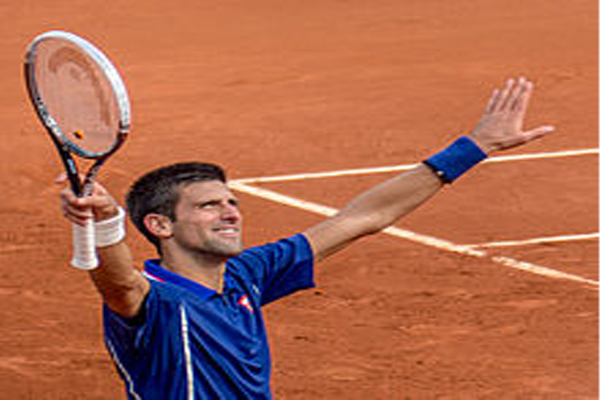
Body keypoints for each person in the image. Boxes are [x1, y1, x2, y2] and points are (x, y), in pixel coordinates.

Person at [60, 77, 554, 399]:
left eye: (231, 201)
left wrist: (473, 148)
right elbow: (118, 282)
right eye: (209, 205)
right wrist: (105, 221)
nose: (230, 212)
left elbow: (364, 217)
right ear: (160, 226)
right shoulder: (157, 300)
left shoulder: (247, 274)